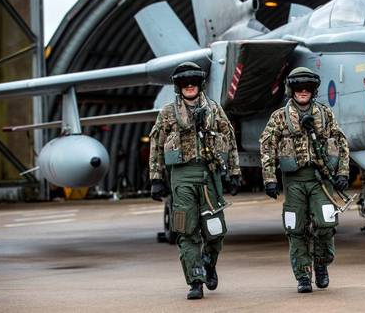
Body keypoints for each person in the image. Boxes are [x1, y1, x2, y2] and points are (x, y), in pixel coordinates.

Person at [149, 62, 242, 300]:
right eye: (184, 83)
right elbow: (156, 145)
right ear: (178, 87)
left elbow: (229, 140)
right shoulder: (168, 113)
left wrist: (234, 173)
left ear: (199, 84)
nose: (189, 86)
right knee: (185, 231)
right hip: (182, 178)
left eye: (193, 82)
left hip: (210, 176)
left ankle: (209, 262)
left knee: (215, 231)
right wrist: (156, 178)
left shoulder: (214, 110)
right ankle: (195, 280)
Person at [259, 67, 350, 293]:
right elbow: (267, 146)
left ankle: (321, 265)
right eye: (298, 88)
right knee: (295, 228)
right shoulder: (280, 117)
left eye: (307, 87)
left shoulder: (325, 114)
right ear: (292, 90)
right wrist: (269, 179)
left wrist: (342, 173)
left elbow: (341, 141)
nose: (302, 91)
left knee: (326, 224)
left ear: (313, 90)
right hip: (295, 182)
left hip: (321, 181)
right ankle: (302, 276)